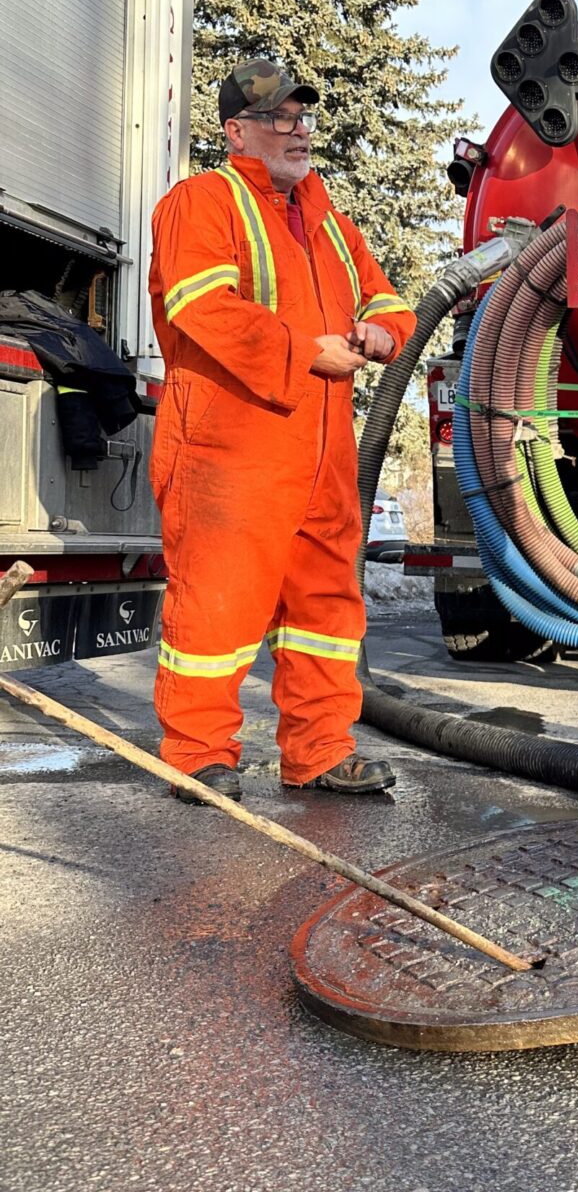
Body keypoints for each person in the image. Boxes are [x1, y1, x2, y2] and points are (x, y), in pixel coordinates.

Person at [147, 59, 416, 802]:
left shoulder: (331, 223)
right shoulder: (202, 202)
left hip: (323, 457)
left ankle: (320, 751)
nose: (298, 131)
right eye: (278, 118)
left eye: (303, 117)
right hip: (231, 455)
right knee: (217, 606)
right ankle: (198, 756)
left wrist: (384, 332)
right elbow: (202, 308)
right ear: (236, 132)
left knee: (324, 610)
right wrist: (308, 354)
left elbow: (391, 302)